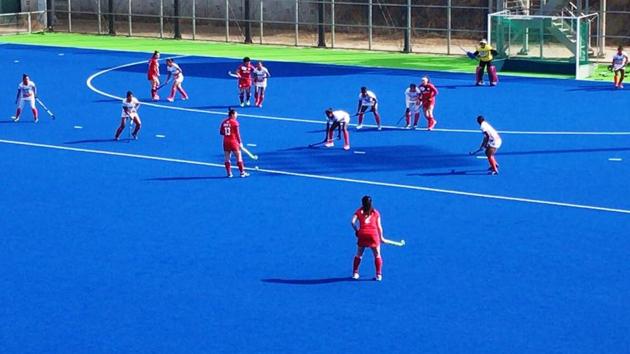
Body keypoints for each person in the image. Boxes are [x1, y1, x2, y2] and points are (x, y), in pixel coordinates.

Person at [351, 195, 385, 281]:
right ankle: (378, 275)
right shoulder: (376, 212)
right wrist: (381, 238)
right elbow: (379, 227)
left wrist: (357, 231)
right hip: (373, 235)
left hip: (362, 234)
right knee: (377, 254)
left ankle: (355, 273)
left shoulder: (359, 211)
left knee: (359, 254)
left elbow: (352, 222)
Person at [220, 108, 249, 178]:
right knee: (239, 157)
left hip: (225, 142)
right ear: (232, 114)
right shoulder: (235, 122)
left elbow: (221, 133)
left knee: (227, 158)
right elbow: (237, 134)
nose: (237, 115)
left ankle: (229, 173)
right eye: (236, 114)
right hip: (233, 142)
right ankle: (242, 172)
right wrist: (240, 142)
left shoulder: (224, 122)